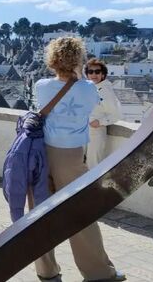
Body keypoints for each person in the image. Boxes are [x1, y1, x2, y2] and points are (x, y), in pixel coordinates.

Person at [33, 37, 125, 282]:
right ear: (78, 60)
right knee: (81, 216)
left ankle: (46, 271)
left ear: (52, 60)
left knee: (39, 214)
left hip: (41, 155)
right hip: (71, 156)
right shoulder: (87, 89)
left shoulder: (41, 85)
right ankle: (98, 272)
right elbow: (94, 107)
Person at [85, 58, 122, 167]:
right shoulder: (91, 88)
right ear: (87, 75)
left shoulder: (105, 90)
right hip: (85, 132)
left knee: (93, 165)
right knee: (85, 165)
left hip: (96, 132)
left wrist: (100, 122)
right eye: (90, 72)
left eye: (97, 71)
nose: (94, 74)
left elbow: (116, 114)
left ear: (103, 74)